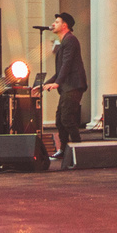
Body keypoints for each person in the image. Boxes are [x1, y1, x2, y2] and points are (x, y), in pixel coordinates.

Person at [50, 13, 86, 143]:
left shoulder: (70, 40)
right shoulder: (65, 41)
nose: (53, 24)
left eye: (57, 22)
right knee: (60, 120)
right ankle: (64, 150)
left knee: (66, 119)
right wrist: (45, 84)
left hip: (73, 86)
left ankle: (77, 147)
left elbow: (67, 64)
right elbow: (60, 70)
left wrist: (57, 83)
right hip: (68, 87)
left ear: (65, 26)